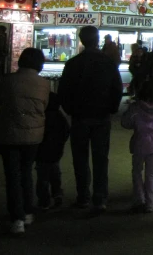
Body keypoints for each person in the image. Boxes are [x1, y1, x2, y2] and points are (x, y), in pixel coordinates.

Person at [58, 25, 123, 214]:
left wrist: (71, 110)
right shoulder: (108, 63)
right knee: (101, 158)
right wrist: (111, 108)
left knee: (80, 158)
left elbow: (63, 92)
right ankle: (100, 198)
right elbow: (117, 89)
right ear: (97, 40)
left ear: (82, 40)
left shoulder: (73, 64)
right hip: (101, 117)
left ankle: (83, 196)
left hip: (80, 117)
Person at [0, 47, 50, 234]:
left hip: (9, 134)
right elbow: (45, 106)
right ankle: (28, 211)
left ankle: (17, 218)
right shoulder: (43, 84)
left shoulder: (8, 81)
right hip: (33, 136)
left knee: (12, 176)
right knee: (26, 172)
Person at [121, 79, 153, 213]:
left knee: (137, 172)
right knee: (151, 174)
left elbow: (125, 122)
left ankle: (139, 199)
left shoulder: (136, 108)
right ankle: (150, 202)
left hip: (139, 143)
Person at [35, 91, 70, 211]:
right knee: (55, 173)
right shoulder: (59, 117)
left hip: (41, 151)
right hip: (56, 151)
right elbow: (66, 132)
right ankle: (57, 194)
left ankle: (44, 201)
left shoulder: (40, 117)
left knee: (42, 177)